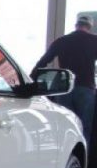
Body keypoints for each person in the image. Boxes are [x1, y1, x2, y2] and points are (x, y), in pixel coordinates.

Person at [34, 14, 97, 143]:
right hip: (86, 88)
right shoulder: (94, 41)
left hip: (64, 89)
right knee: (85, 128)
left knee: (65, 128)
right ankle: (81, 160)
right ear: (90, 26)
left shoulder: (62, 41)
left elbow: (43, 62)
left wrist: (29, 80)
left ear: (76, 25)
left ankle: (66, 158)